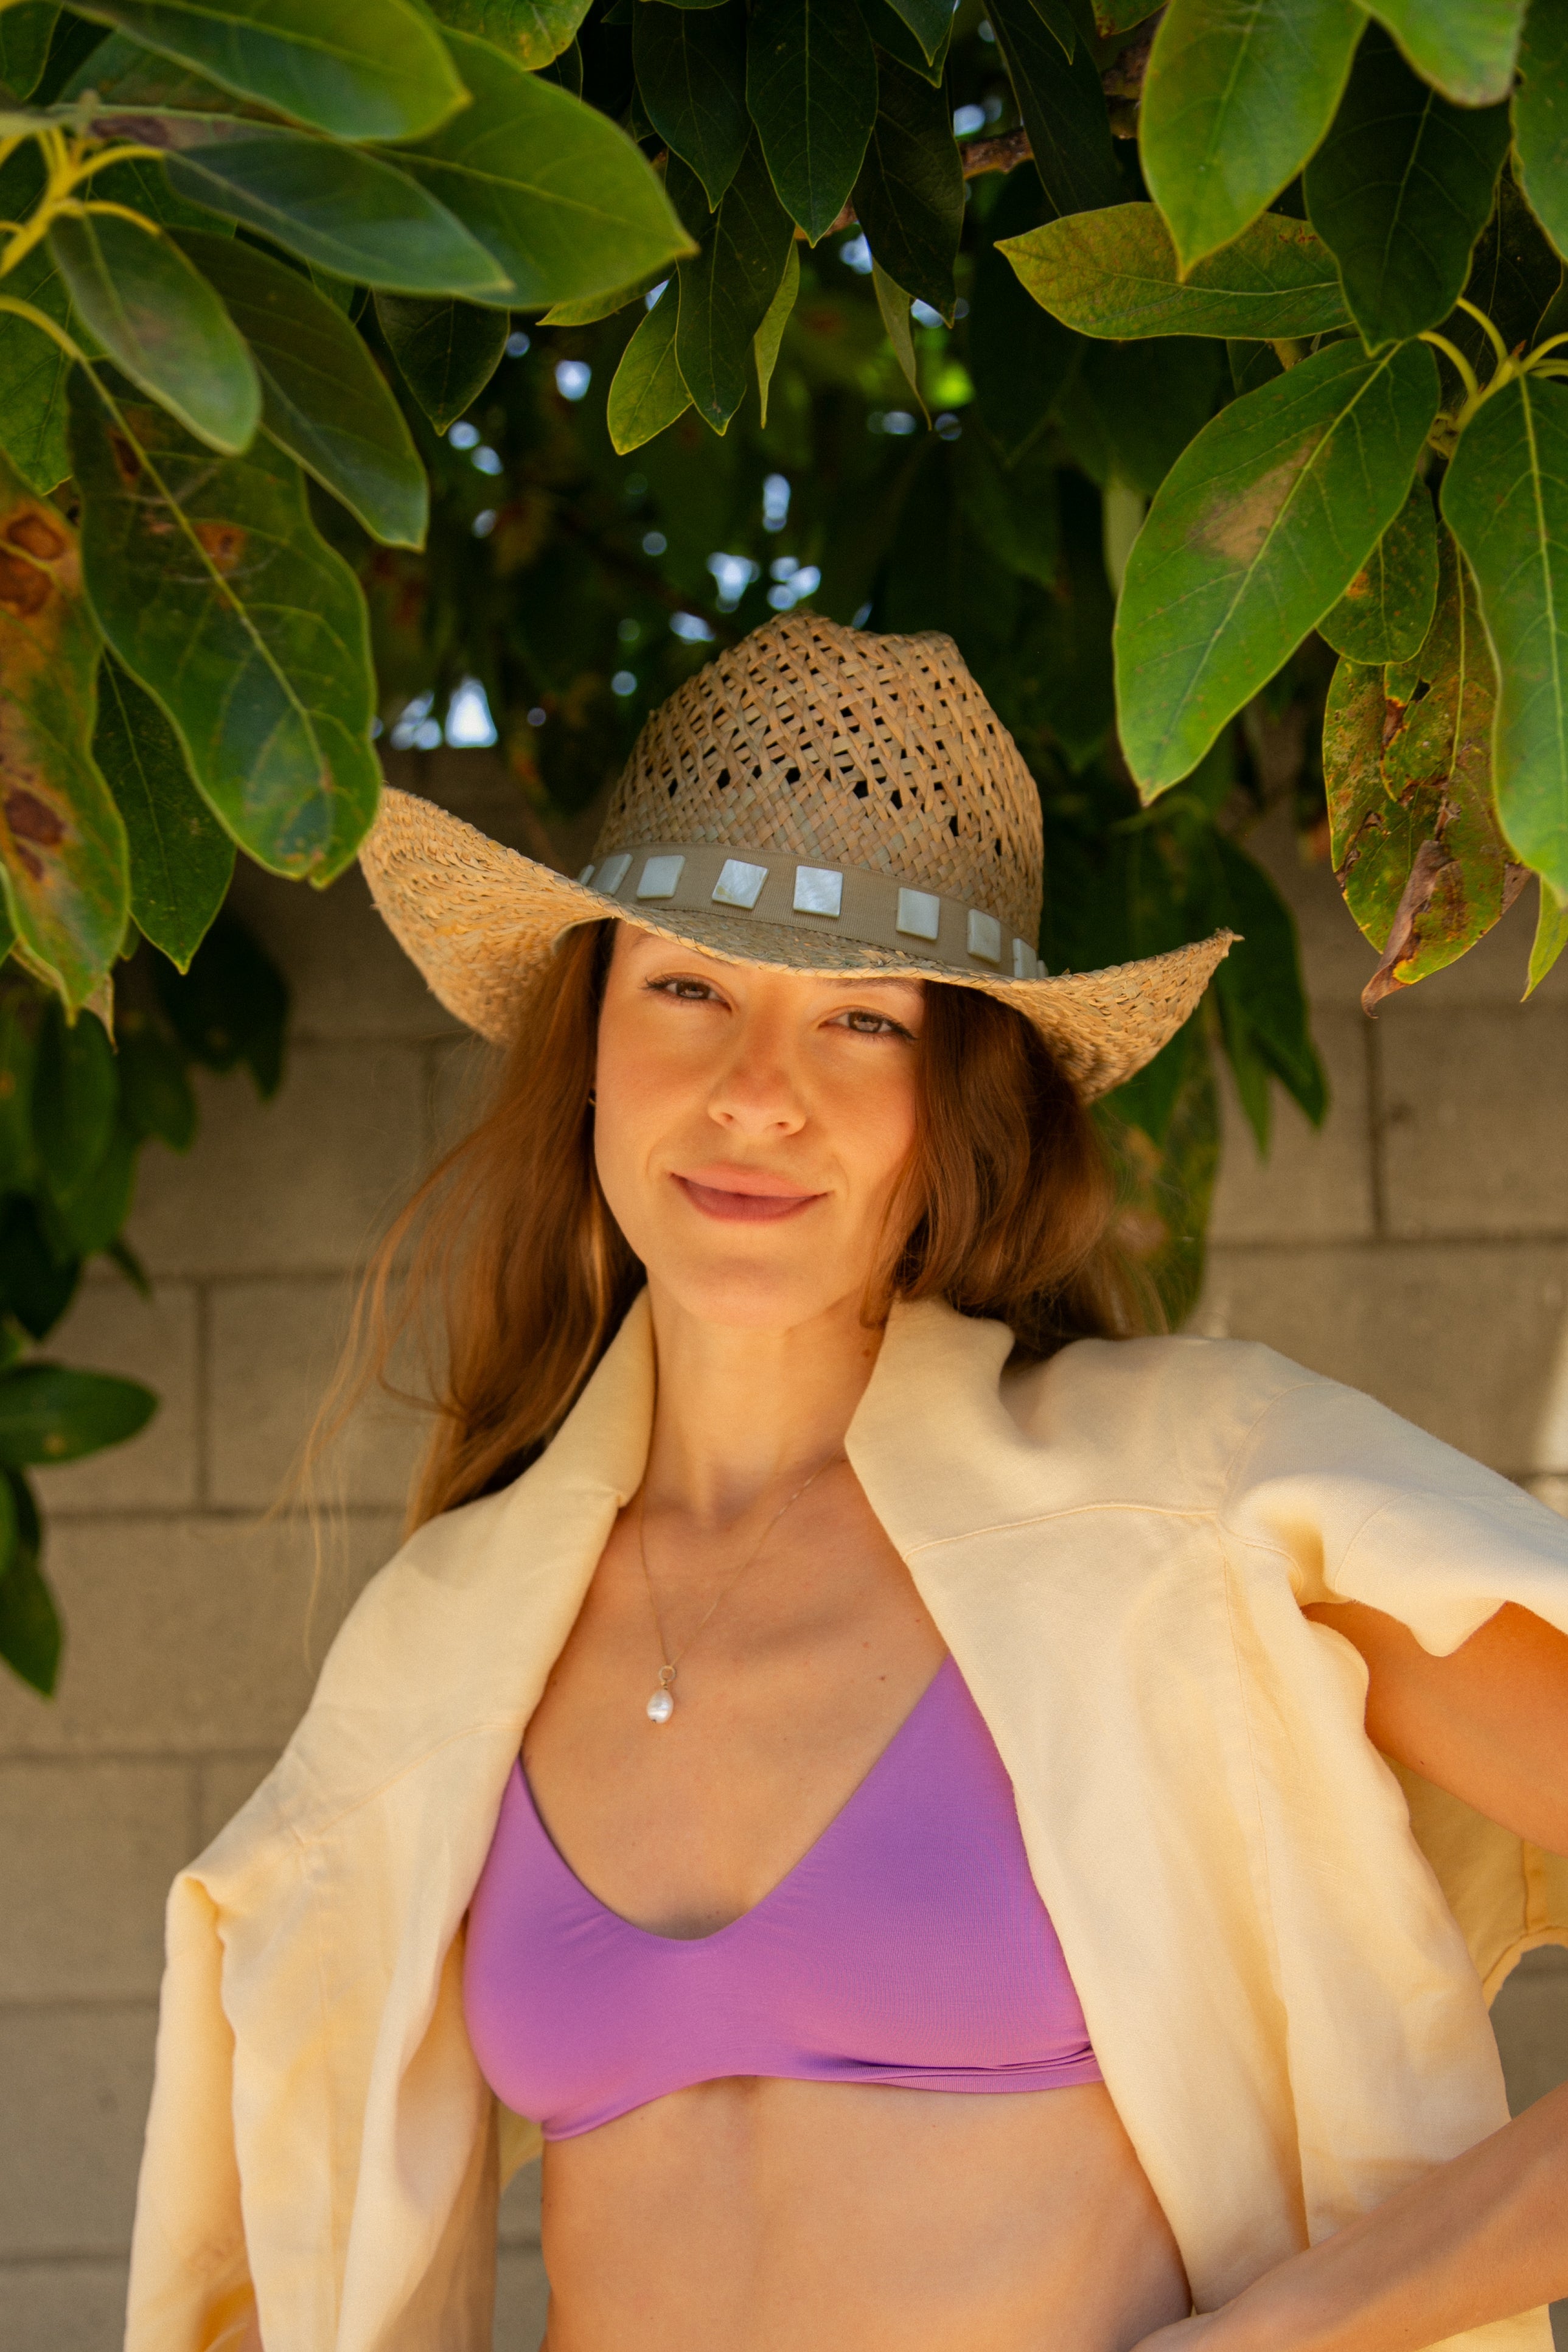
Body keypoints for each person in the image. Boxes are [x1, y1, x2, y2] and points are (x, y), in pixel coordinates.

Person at [127, 618, 1568, 2352]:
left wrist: (1282, 2331)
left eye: (860, 1019)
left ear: (958, 1093)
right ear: (588, 1030)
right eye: (688, 987)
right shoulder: (441, 1644)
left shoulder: (1192, 1512)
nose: (758, 1095)